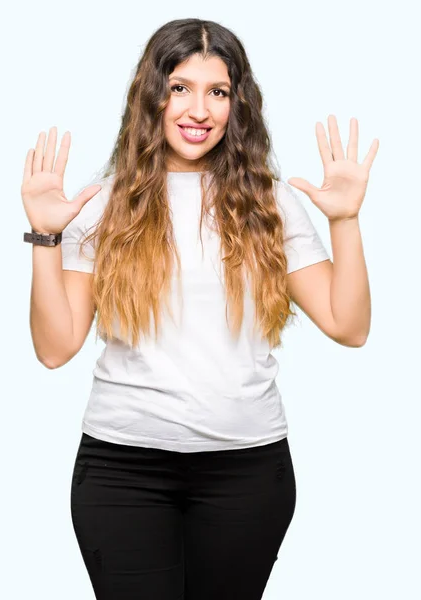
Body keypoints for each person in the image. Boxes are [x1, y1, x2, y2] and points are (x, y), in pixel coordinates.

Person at [21, 17, 378, 600]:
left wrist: (345, 220)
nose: (199, 108)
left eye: (217, 92)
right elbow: (55, 348)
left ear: (237, 105)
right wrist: (44, 238)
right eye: (180, 87)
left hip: (247, 470)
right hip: (123, 470)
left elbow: (350, 325)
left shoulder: (269, 202)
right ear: (152, 97)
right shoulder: (102, 205)